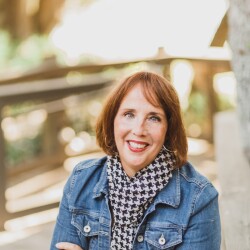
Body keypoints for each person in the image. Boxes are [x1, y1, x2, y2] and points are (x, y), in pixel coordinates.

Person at [50, 71, 221, 250]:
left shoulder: (199, 198)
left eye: (154, 118)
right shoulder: (81, 180)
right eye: (129, 114)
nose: (139, 130)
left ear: (169, 129)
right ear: (112, 120)